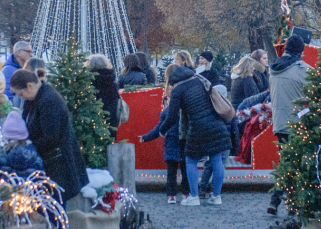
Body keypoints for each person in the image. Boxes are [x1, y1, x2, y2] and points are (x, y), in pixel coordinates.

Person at [142, 63, 230, 206]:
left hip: (197, 127)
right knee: (216, 158)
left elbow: (171, 116)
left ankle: (194, 197)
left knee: (190, 160)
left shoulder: (178, 89)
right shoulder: (199, 79)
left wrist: (162, 130)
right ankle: (216, 196)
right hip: (216, 123)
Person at [10, 70, 88, 201]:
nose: (21, 98)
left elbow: (51, 138)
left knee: (54, 209)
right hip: (48, 164)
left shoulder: (48, 101)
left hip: (58, 167)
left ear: (29, 86)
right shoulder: (35, 98)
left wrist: (27, 146)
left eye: (21, 94)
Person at [268, 35, 310, 214]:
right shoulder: (304, 70)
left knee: (286, 161)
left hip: (279, 123)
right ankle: (286, 203)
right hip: (298, 123)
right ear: (301, 51)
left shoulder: (273, 69)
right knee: (297, 165)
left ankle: (277, 201)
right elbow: (314, 99)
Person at [139, 65, 190, 203]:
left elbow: (158, 129)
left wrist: (145, 137)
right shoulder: (185, 110)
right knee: (186, 172)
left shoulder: (166, 112)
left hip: (171, 145)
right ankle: (186, 193)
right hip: (185, 143)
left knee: (171, 173)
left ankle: (171, 195)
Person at [0, 111, 45, 180]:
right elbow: (41, 180)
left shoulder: (0, 157)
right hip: (27, 190)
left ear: (7, 138)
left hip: (5, 190)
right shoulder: (34, 157)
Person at [86, 54, 121, 129]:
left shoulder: (86, 82)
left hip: (90, 119)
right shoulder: (112, 81)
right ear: (105, 64)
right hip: (110, 120)